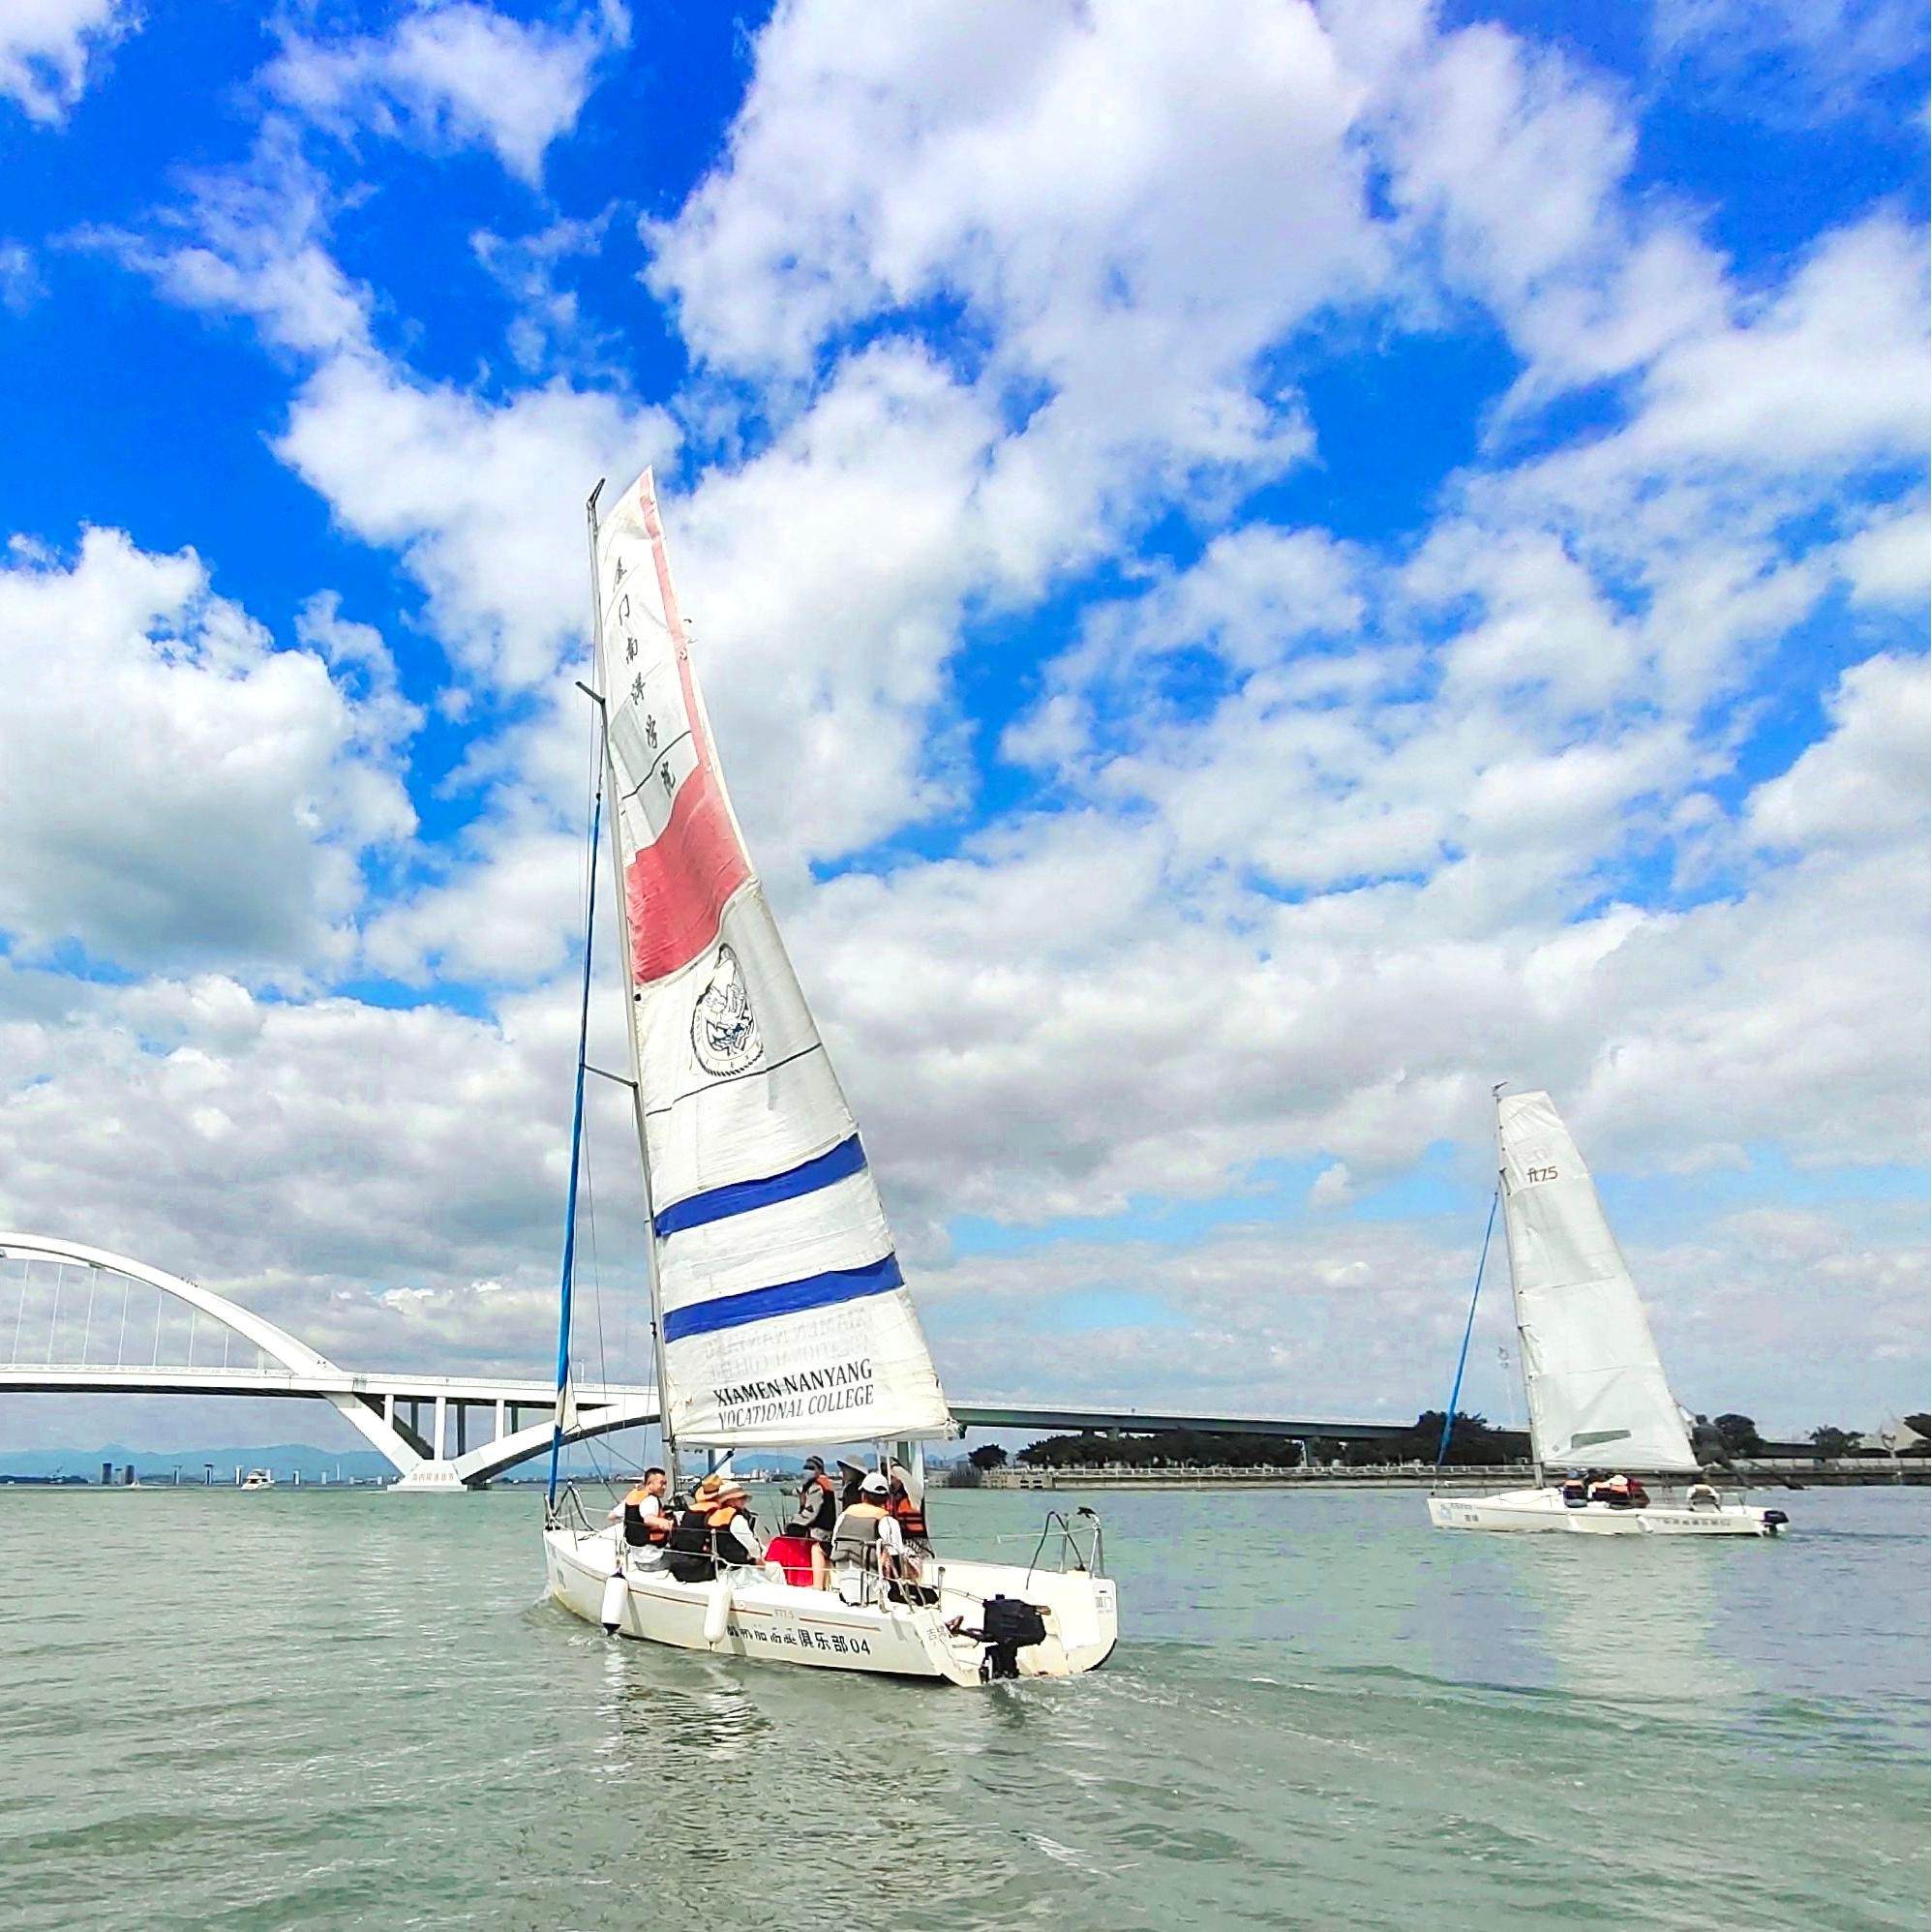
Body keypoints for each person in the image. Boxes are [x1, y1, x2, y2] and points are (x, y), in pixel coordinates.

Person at [664, 1472, 766, 1584]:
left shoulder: (690, 1511)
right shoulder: (718, 1514)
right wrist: (754, 1559)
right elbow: (730, 1546)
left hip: (682, 1564)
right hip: (704, 1567)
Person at [830, 1471, 903, 1598]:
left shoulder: (843, 1517)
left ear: (863, 1494)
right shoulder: (888, 1522)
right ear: (887, 1498)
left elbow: (833, 1544)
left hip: (845, 1590)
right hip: (872, 1594)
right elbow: (895, 1560)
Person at [784, 1455, 838, 1588]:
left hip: (818, 1531)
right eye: (805, 1467)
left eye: (811, 1468)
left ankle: (810, 1582)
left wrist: (792, 1520)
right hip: (826, 1530)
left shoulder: (817, 1487)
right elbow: (800, 1492)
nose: (807, 1470)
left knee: (788, 1536)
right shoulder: (821, 1484)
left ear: (820, 1470)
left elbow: (810, 1514)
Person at [606, 1466, 671, 1558]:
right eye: (661, 1484)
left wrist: (630, 1517)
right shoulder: (651, 1500)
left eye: (665, 1484)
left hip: (635, 1551)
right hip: (652, 1554)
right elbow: (648, 1519)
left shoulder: (633, 1497)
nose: (664, 1487)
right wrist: (663, 1522)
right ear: (649, 1484)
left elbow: (611, 1516)